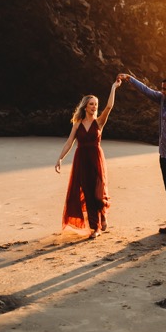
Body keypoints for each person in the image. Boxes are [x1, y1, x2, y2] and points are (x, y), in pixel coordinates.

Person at [117, 73, 166, 239]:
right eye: (161, 89)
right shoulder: (163, 100)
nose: (161, 91)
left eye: (165, 89)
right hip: (164, 154)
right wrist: (130, 79)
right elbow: (146, 91)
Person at [55, 79, 120, 239]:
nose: (94, 107)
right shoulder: (77, 124)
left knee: (98, 194)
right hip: (82, 160)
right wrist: (60, 159)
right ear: (85, 106)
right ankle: (95, 227)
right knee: (89, 195)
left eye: (96, 104)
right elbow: (70, 142)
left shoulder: (99, 122)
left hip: (96, 159)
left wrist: (113, 87)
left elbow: (109, 106)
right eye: (91, 104)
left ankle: (103, 215)